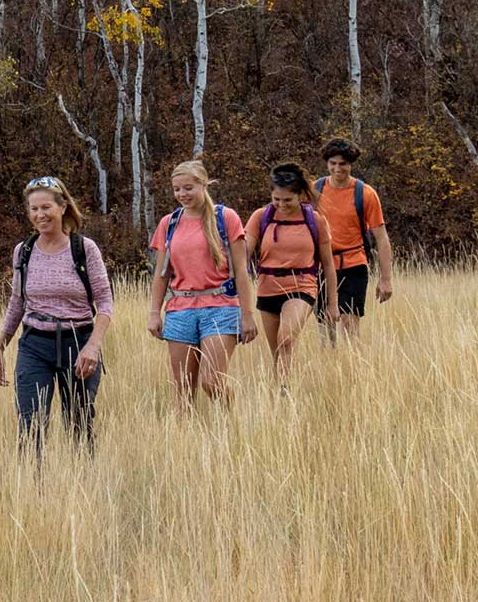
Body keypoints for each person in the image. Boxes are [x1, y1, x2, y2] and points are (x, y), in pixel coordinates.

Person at [0, 175, 114, 452]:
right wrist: (0, 348)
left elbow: (105, 302)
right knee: (30, 426)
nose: (40, 215)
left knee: (79, 425)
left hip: (77, 343)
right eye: (34, 209)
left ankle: (82, 488)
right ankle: (33, 491)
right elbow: (17, 302)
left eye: (46, 207)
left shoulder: (84, 249)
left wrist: (92, 347)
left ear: (63, 207)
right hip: (34, 344)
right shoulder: (23, 252)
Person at [147, 160, 255, 414]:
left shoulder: (225, 218)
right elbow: (161, 274)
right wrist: (154, 312)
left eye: (188, 188)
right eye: (177, 189)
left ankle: (231, 422)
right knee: (183, 390)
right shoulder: (169, 223)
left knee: (212, 380)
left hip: (221, 307)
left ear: (203, 185)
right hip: (180, 309)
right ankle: (187, 446)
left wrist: (247, 315)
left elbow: (241, 271)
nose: (182, 195)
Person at [245, 162, 337, 388]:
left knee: (286, 339)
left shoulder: (315, 220)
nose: (281, 205)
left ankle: (284, 390)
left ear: (300, 196)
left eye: (288, 200)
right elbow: (244, 252)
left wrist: (332, 303)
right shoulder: (261, 217)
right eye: (276, 199)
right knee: (277, 349)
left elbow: (328, 264)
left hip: (302, 286)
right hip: (267, 288)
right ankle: (281, 393)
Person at [316, 137, 395, 339]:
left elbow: (382, 238)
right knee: (326, 326)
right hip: (322, 265)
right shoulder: (315, 190)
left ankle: (352, 366)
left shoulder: (365, 194)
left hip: (354, 264)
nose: (337, 169)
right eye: (332, 163)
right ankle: (329, 367)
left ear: (351, 164)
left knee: (349, 324)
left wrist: (385, 279)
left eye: (342, 164)